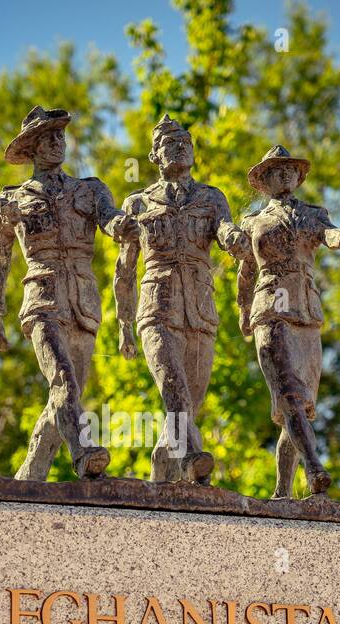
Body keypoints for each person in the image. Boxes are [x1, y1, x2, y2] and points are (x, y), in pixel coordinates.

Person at [0, 106, 130, 480]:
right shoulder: (11, 199)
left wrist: (123, 227)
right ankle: (83, 452)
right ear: (30, 148)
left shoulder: (90, 189)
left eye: (60, 135)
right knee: (63, 381)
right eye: (47, 137)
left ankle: (30, 474)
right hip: (42, 298)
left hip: (83, 300)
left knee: (64, 398)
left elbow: (110, 218)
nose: (56, 142)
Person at [114, 116, 247, 483]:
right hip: (157, 308)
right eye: (170, 144)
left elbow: (222, 229)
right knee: (174, 389)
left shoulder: (211, 197)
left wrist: (233, 237)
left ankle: (162, 471)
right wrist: (124, 325)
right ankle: (192, 460)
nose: (180, 148)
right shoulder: (138, 203)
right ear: (154, 155)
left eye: (186, 142)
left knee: (191, 400)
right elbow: (124, 270)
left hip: (200, 310)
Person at [227, 145, 340, 498]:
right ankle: (314, 466)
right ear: (264, 181)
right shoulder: (254, 222)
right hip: (270, 310)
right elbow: (245, 272)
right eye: (276, 171)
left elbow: (329, 233)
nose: (285, 175)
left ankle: (282, 494)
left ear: (299, 177)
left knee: (300, 408)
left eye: (290, 170)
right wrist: (243, 310)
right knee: (289, 394)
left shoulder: (313, 215)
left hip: (306, 314)